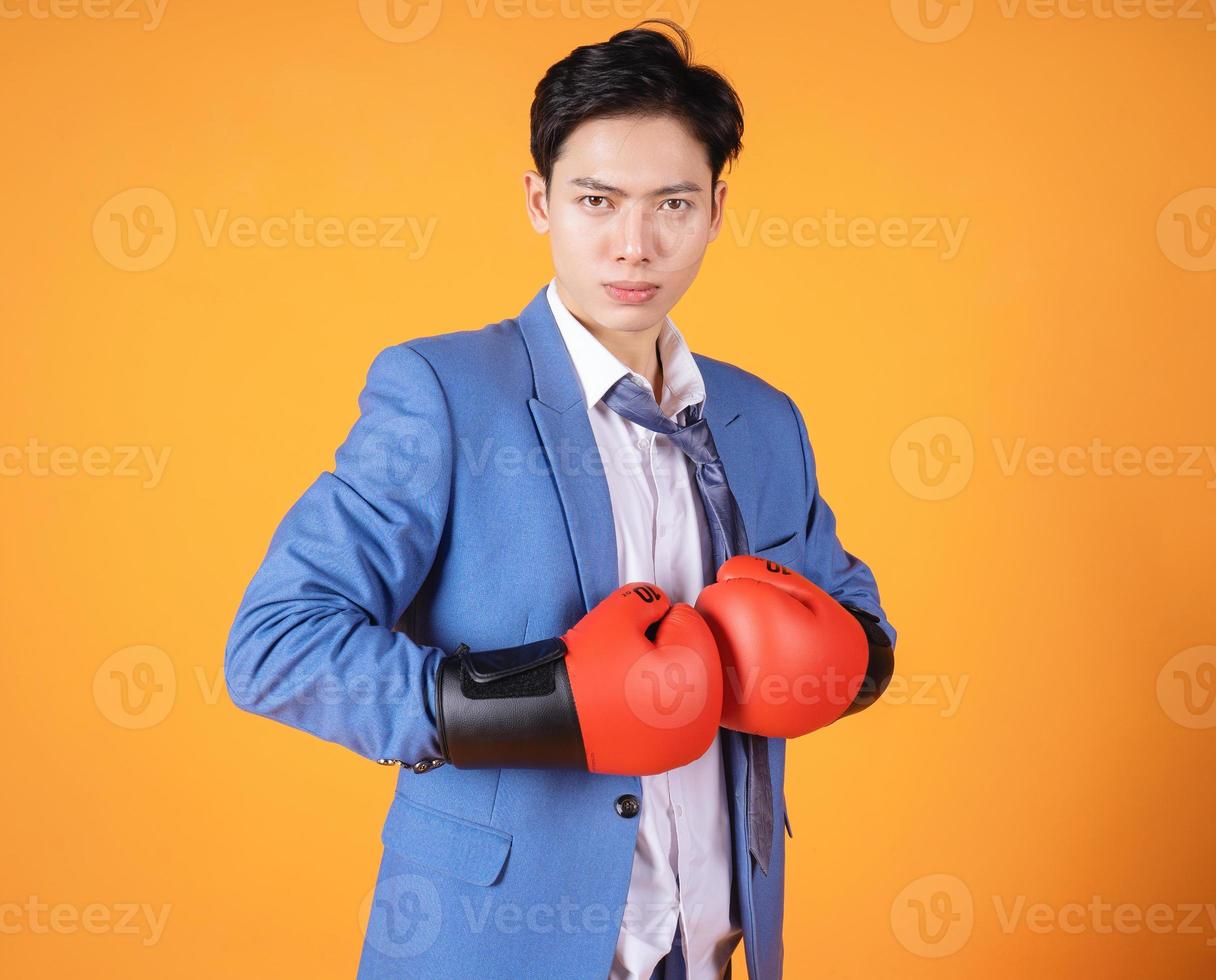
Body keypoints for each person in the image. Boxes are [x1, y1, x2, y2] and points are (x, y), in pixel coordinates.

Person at [225, 19, 896, 980]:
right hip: (495, 944)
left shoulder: (763, 418)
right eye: (597, 200)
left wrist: (840, 658)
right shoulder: (444, 391)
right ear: (540, 202)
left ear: (717, 210)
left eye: (673, 203)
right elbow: (275, 644)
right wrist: (531, 701)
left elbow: (858, 622)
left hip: (711, 941)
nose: (636, 243)